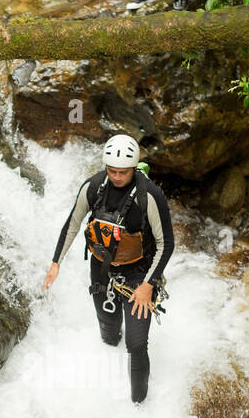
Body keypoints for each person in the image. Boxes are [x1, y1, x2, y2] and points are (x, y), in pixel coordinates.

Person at [42, 134, 174, 403]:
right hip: (102, 268)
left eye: (122, 172)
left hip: (140, 273)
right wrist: (56, 263)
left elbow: (166, 244)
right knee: (108, 328)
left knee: (136, 345)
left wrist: (148, 285)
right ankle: (109, 351)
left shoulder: (150, 196)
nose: (116, 176)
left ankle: (139, 405)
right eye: (111, 170)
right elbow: (73, 224)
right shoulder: (93, 187)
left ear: (134, 167)